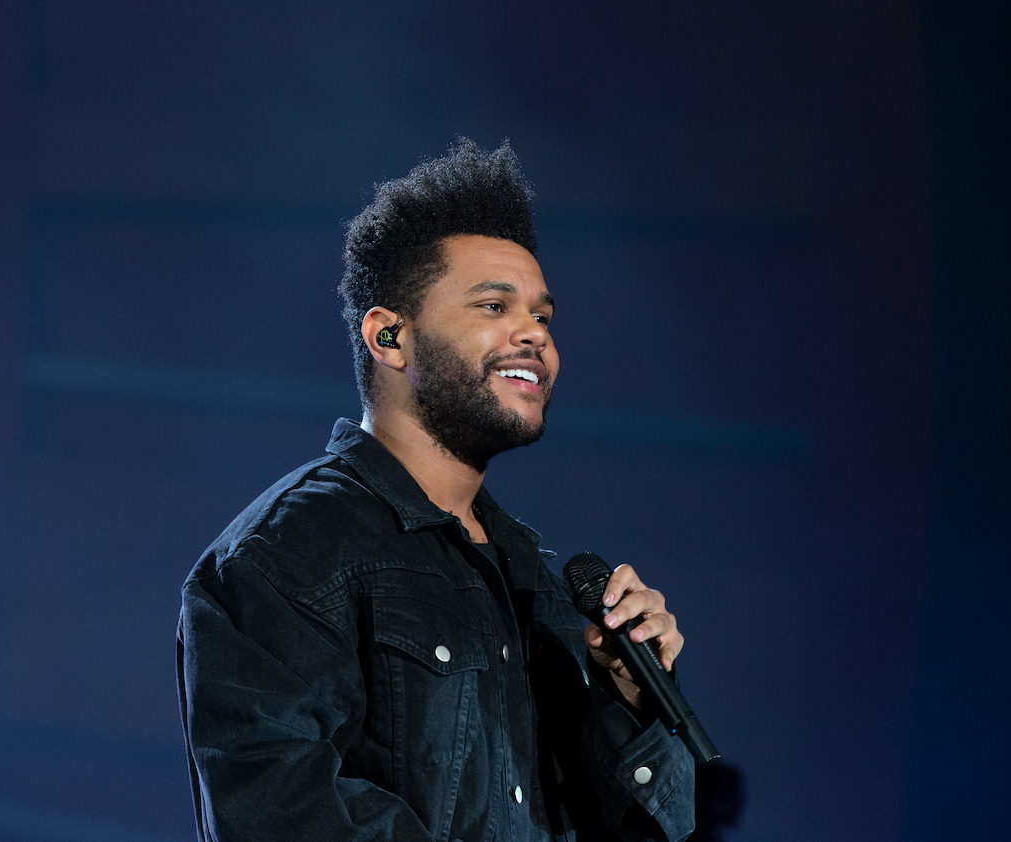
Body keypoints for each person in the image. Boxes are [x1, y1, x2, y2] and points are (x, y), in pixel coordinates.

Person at [177, 139, 697, 841]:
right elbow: (281, 815)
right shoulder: (285, 555)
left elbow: (645, 829)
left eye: (543, 317)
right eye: (494, 306)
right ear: (390, 337)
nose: (534, 335)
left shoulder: (538, 588)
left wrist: (628, 697)